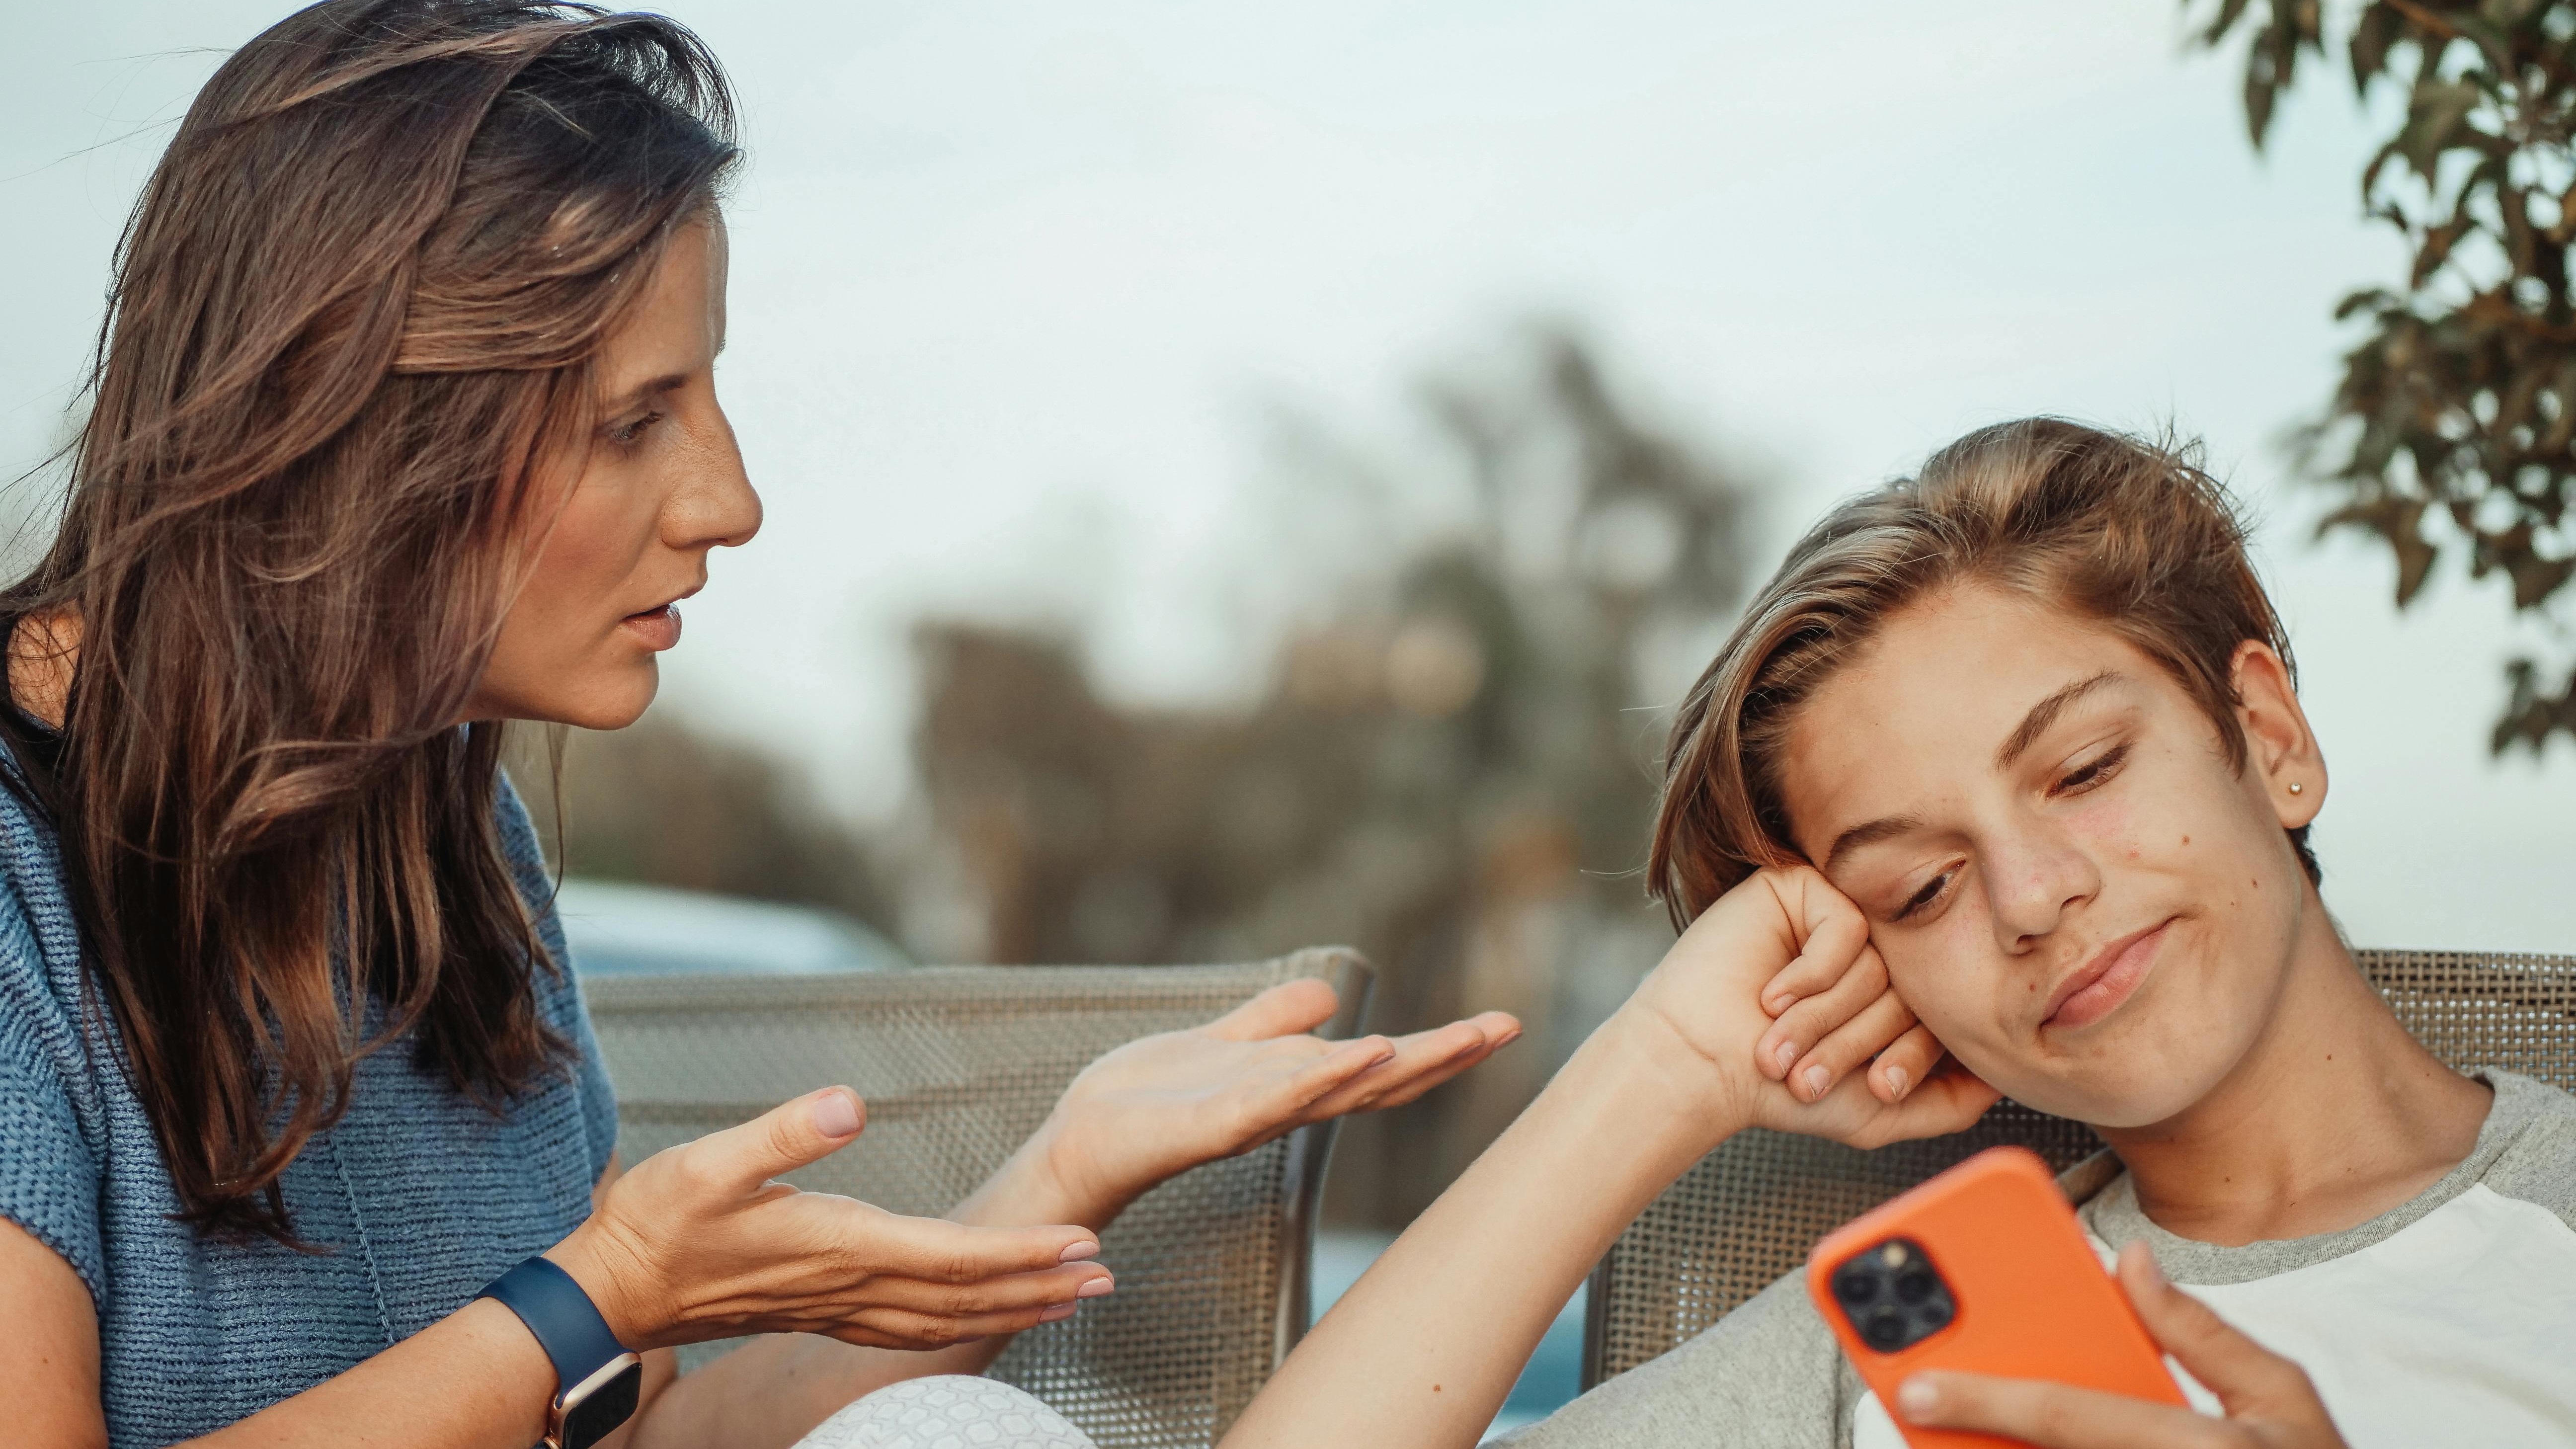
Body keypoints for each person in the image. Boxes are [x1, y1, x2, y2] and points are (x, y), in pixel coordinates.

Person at [0, 6, 1521, 1448]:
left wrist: (1066, 1163)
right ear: (357, 430)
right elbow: (581, 1332)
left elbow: (645, 1425)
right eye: (632, 420)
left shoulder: (451, 855)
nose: (731, 500)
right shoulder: (21, 887)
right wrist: (586, 1300)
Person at [1219, 418, 2576, 1449]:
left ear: (2269, 739)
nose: (2032, 896)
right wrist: (1663, 1066)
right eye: (1922, 888)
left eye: (2088, 768)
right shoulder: (1896, 1341)